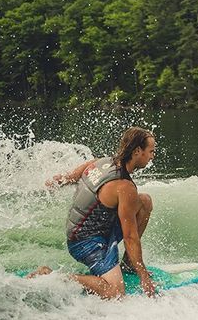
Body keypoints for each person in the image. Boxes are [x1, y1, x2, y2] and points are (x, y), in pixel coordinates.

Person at [29, 127, 157, 298]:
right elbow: (130, 237)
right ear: (137, 151)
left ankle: (128, 265)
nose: (152, 156)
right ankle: (51, 276)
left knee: (145, 202)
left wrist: (48, 185)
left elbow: (68, 178)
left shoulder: (101, 162)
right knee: (115, 292)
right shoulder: (124, 187)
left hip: (80, 230)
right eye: (150, 151)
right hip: (86, 242)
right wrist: (144, 277)